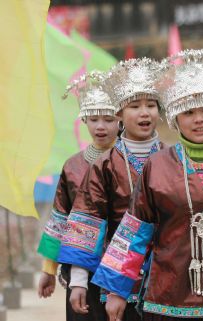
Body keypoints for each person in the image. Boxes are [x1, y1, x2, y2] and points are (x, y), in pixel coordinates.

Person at [92, 49, 203, 321]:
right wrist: (116, 291)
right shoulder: (157, 165)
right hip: (167, 298)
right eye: (189, 112)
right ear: (176, 117)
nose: (199, 119)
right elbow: (135, 229)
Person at [58, 58, 165, 321]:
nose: (144, 113)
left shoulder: (172, 158)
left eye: (150, 105)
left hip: (167, 278)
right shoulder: (104, 166)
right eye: (135, 106)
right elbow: (87, 221)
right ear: (120, 114)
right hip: (117, 280)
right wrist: (79, 281)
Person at [37, 71, 118, 321]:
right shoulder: (73, 166)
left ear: (121, 120)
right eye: (94, 119)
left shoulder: (131, 162)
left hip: (124, 269)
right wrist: (48, 269)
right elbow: (60, 218)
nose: (101, 126)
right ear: (84, 121)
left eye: (108, 118)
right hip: (82, 267)